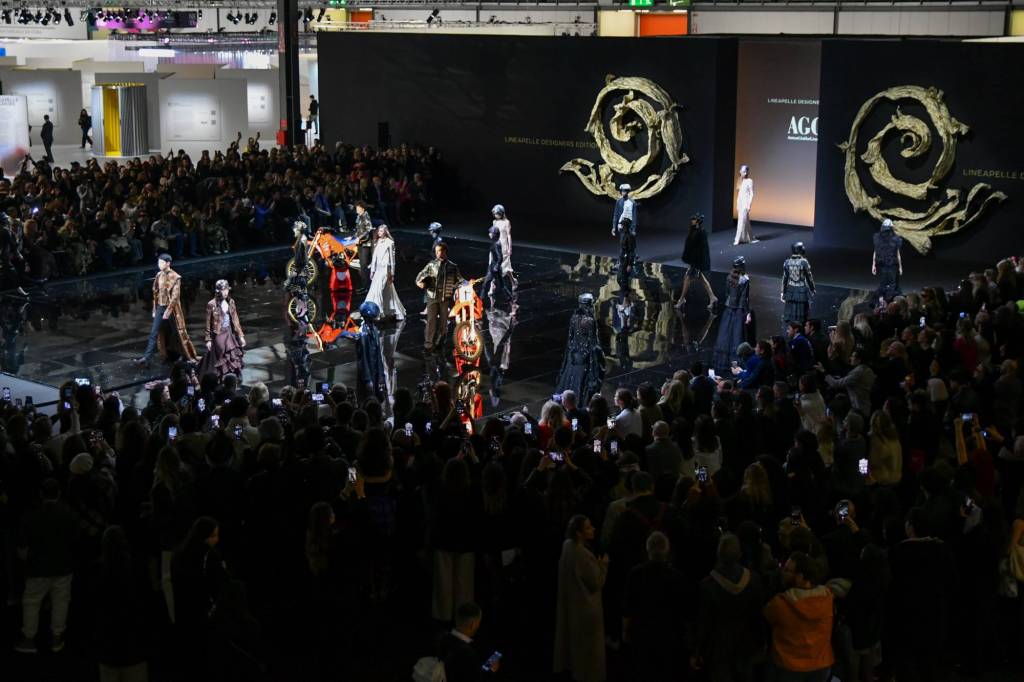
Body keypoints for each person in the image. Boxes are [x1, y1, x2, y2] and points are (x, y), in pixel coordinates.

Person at [14, 478, 78, 654]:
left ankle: (29, 639)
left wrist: (25, 559)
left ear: (41, 494)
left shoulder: (31, 515)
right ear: (59, 493)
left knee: (31, 602)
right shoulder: (69, 514)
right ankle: (57, 637)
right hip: (64, 566)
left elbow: (22, 545)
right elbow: (75, 541)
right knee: (61, 602)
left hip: (37, 567)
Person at [694, 533, 765, 682]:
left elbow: (703, 622)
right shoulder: (754, 580)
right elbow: (759, 615)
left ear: (718, 555)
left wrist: (697, 650)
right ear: (739, 554)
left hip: (719, 645)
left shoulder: (708, 585)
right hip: (746, 641)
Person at [623, 531, 688, 681]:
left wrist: (625, 630)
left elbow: (628, 607)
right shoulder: (677, 577)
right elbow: (683, 610)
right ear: (667, 551)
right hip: (669, 635)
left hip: (642, 634)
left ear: (648, 549)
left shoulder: (635, 574)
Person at [763, 552, 834, 682]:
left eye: (787, 570)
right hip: (821, 665)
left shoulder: (780, 603)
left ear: (800, 577)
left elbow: (766, 616)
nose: (782, 572)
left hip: (788, 667)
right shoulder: (827, 598)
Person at [554, 515, 608, 682]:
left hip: (573, 605)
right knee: (589, 651)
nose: (593, 529)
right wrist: (603, 565)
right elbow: (597, 582)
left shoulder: (567, 546)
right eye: (588, 527)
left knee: (575, 646)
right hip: (588, 608)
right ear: (579, 533)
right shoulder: (583, 555)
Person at [137, 253, 198, 365]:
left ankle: (184, 355)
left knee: (177, 332)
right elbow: (155, 293)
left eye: (161, 263)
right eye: (158, 262)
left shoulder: (175, 277)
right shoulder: (159, 275)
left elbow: (175, 297)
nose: (159, 265)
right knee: (154, 332)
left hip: (172, 310)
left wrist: (168, 311)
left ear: (168, 263)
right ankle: (146, 357)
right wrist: (155, 309)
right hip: (160, 307)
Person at [556, 293, 605, 402]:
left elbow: (570, 339)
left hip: (573, 355)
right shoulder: (590, 321)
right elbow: (593, 342)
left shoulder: (574, 318)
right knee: (582, 382)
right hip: (584, 357)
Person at [416, 242, 464, 354]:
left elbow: (460, 280)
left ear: (445, 251)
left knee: (443, 324)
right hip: (432, 296)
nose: (438, 253)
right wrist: (419, 282)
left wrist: (455, 286)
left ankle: (439, 343)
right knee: (431, 321)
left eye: (440, 251)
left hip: (445, 298)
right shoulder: (431, 265)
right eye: (436, 251)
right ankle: (428, 345)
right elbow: (420, 275)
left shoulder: (453, 266)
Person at [437, 602, 500, 682]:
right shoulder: (467, 652)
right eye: (479, 622)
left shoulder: (441, 638)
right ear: (472, 624)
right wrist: (491, 669)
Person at [198, 279, 246, 380]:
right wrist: (208, 339)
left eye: (226, 289)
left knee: (231, 352)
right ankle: (222, 375)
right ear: (218, 291)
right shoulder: (211, 304)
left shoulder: (231, 302)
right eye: (223, 290)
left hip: (228, 331)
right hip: (218, 333)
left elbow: (236, 319)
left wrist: (241, 335)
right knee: (221, 353)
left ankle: (230, 375)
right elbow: (208, 323)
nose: (225, 292)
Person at [713, 256, 752, 372]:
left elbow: (727, 293)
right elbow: (744, 298)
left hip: (729, 307)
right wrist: (747, 312)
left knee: (725, 334)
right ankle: (735, 364)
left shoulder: (729, 277)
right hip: (739, 309)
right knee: (736, 336)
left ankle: (723, 361)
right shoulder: (745, 279)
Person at [677, 213, 718, 313]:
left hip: (697, 262)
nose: (692, 220)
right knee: (701, 280)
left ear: (698, 221)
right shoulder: (694, 231)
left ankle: (681, 299)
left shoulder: (701, 232)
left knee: (687, 278)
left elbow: (702, 250)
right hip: (694, 261)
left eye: (694, 219)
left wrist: (696, 263)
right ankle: (713, 297)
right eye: (692, 219)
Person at [365, 224, 405, 321]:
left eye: (381, 231)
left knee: (378, 289)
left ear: (385, 232)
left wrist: (392, 273)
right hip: (378, 269)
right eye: (379, 231)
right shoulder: (377, 241)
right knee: (385, 290)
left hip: (385, 269)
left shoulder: (390, 243)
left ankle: (377, 311)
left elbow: (392, 259)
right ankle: (384, 309)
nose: (379, 233)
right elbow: (374, 257)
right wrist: (372, 270)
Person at [782, 241, 815, 327]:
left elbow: (785, 278)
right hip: (801, 291)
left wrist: (783, 292)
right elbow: (809, 278)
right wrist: (812, 289)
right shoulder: (804, 262)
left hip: (791, 291)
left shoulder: (787, 262)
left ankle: (794, 328)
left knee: (792, 313)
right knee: (802, 316)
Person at [612, 183, 638, 284]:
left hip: (629, 227)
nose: (624, 192)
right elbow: (616, 214)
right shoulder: (618, 202)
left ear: (628, 192)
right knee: (622, 244)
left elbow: (634, 216)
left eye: (625, 191)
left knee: (630, 244)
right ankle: (620, 261)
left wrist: (634, 228)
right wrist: (614, 227)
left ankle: (632, 258)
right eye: (622, 191)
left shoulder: (632, 203)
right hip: (622, 226)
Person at [872, 218, 903, 302]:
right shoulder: (895, 239)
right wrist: (900, 267)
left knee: (885, 283)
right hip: (890, 264)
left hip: (885, 264)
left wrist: (873, 265)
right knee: (892, 284)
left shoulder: (878, 238)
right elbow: (898, 254)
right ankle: (888, 301)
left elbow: (875, 252)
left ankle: (883, 301)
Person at [353, 201, 373, 293]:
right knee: (362, 265)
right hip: (360, 243)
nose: (356, 209)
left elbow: (369, 229)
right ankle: (364, 286)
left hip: (365, 244)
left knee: (364, 265)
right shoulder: (359, 217)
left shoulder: (365, 216)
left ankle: (367, 287)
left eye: (358, 208)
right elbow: (358, 230)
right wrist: (353, 237)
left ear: (362, 208)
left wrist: (360, 237)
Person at [734, 165, 755, 245]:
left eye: (743, 171)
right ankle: (748, 237)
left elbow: (751, 194)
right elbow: (739, 194)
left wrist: (749, 204)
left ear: (746, 172)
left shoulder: (750, 181)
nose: (741, 172)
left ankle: (737, 239)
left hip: (745, 203)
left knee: (741, 221)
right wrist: (737, 203)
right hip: (740, 202)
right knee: (745, 221)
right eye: (741, 171)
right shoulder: (740, 180)